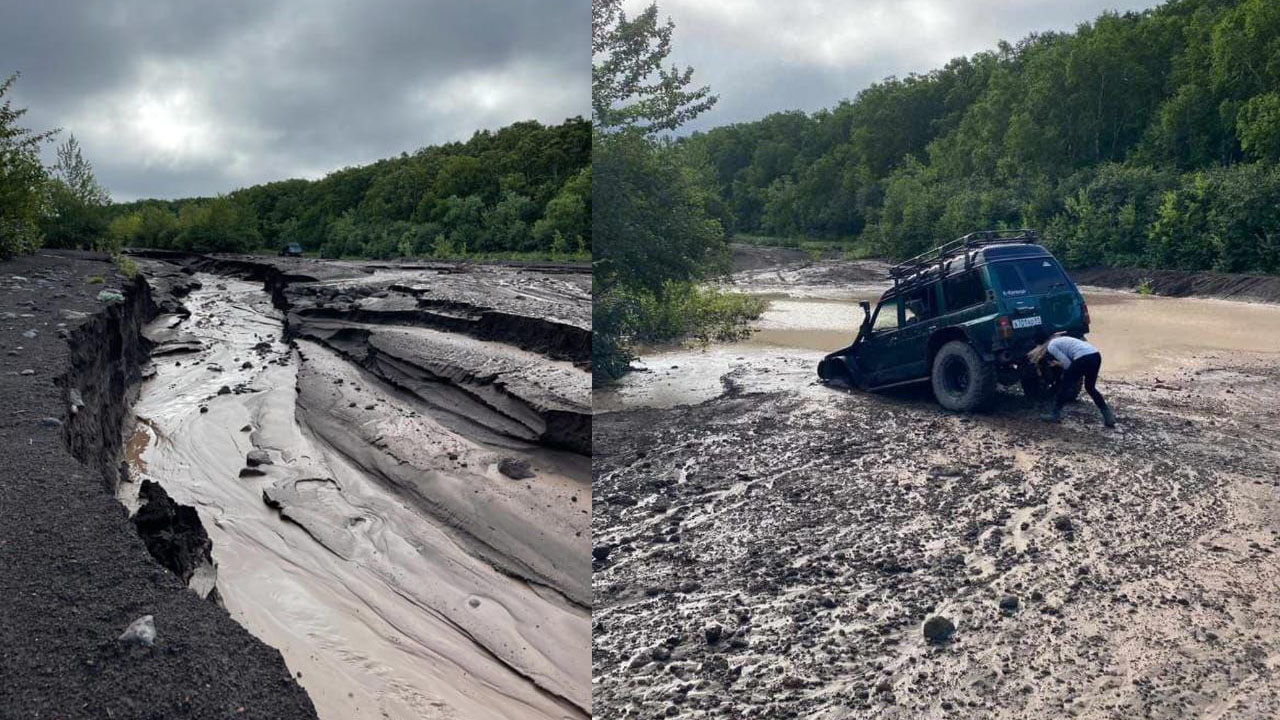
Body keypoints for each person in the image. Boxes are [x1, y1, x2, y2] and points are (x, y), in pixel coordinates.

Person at [1028, 330, 1116, 427]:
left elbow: (1067, 364)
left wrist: (1059, 367)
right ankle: (1108, 416)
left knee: (1065, 386)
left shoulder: (1051, 346)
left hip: (1083, 358)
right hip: (1095, 355)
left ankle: (1055, 414)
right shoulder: (1059, 339)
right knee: (1090, 388)